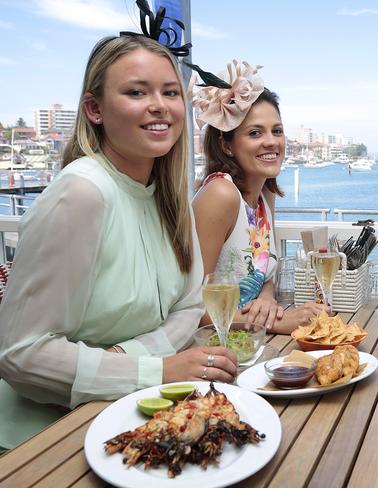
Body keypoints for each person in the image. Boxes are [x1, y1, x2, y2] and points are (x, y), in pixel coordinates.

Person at [0, 24, 237, 450]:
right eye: (136, 92)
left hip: (129, 420)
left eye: (170, 92)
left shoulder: (169, 198)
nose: (160, 106)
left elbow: (187, 307)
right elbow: (22, 355)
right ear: (94, 109)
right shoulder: (82, 193)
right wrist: (159, 370)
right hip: (40, 440)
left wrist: (125, 359)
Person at [190, 61, 327, 333]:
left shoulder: (265, 196)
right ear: (225, 144)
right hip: (215, 347)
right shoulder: (221, 194)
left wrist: (266, 300)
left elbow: (262, 275)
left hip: (251, 342)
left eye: (277, 130)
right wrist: (282, 322)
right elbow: (191, 309)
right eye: (255, 133)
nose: (271, 141)